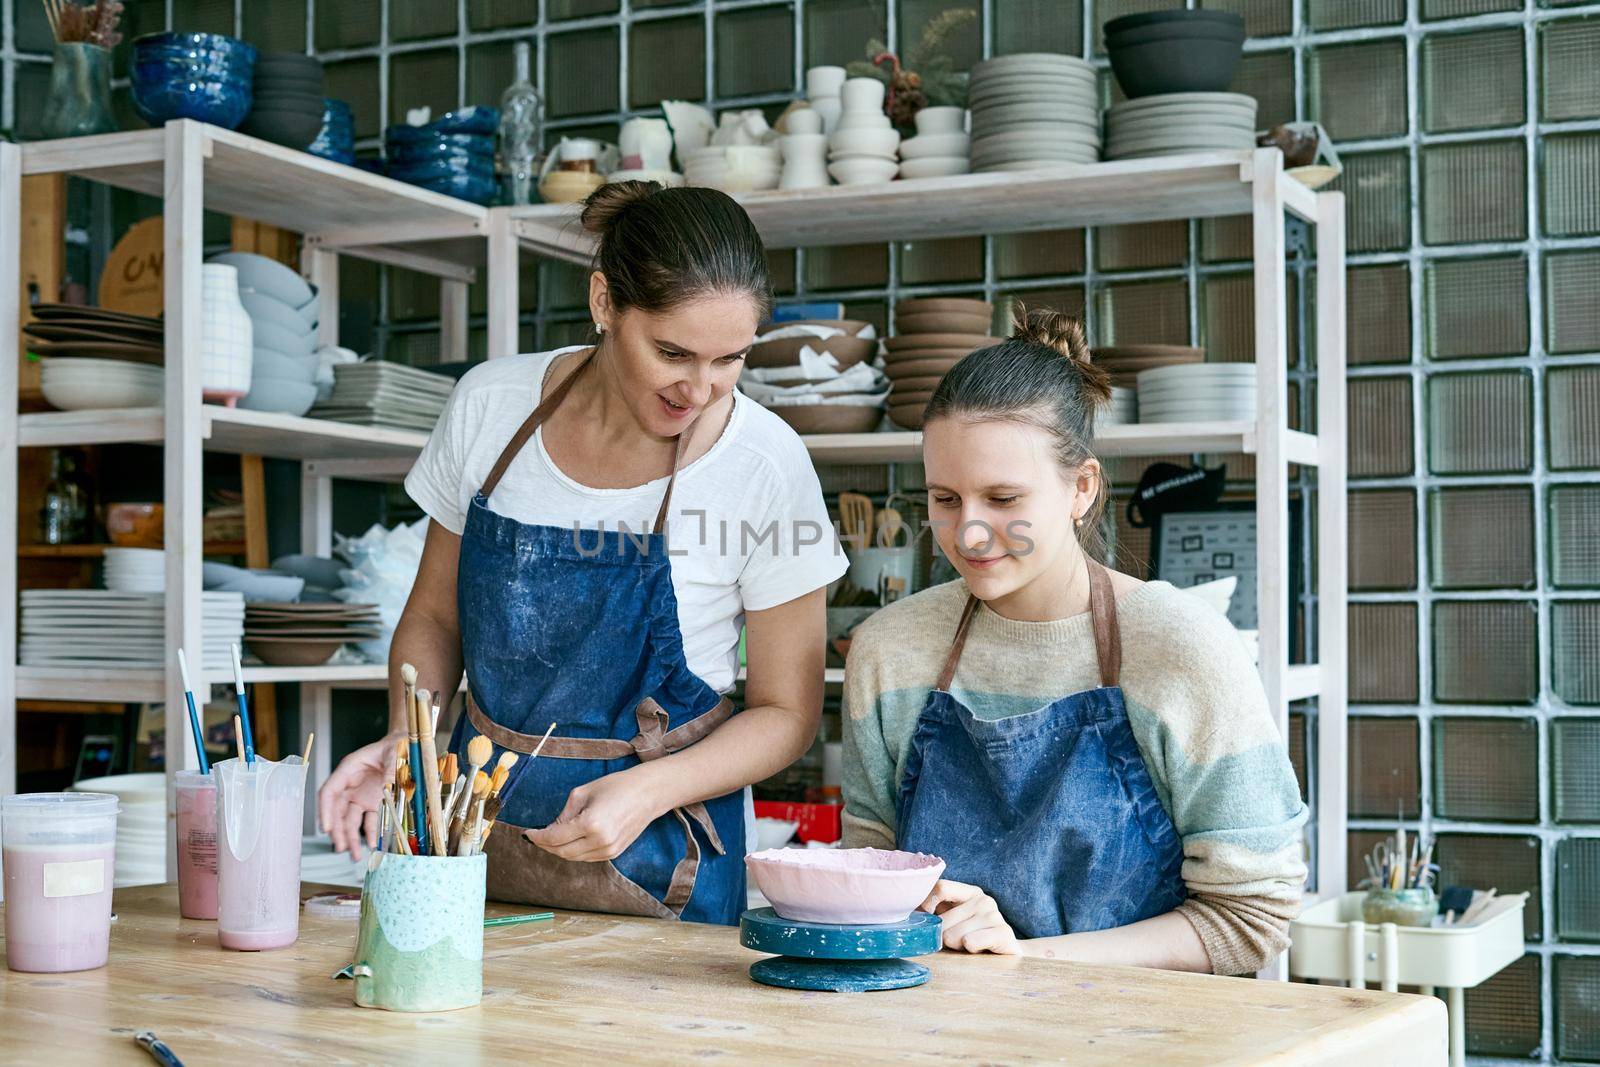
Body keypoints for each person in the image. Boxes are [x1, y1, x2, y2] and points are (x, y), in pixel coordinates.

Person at [318, 181, 846, 925]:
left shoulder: (764, 461)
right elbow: (435, 618)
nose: (700, 388)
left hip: (667, 867)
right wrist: (408, 739)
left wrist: (650, 789)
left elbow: (787, 711)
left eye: (731, 358)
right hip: (472, 851)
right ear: (603, 302)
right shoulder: (490, 408)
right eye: (672, 352)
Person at [840, 308, 1308, 973]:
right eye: (945, 499)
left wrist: (1022, 958)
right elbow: (870, 880)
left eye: (1003, 499)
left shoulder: (1182, 648)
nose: (969, 534)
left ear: (1080, 487)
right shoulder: (889, 650)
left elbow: (1251, 917)